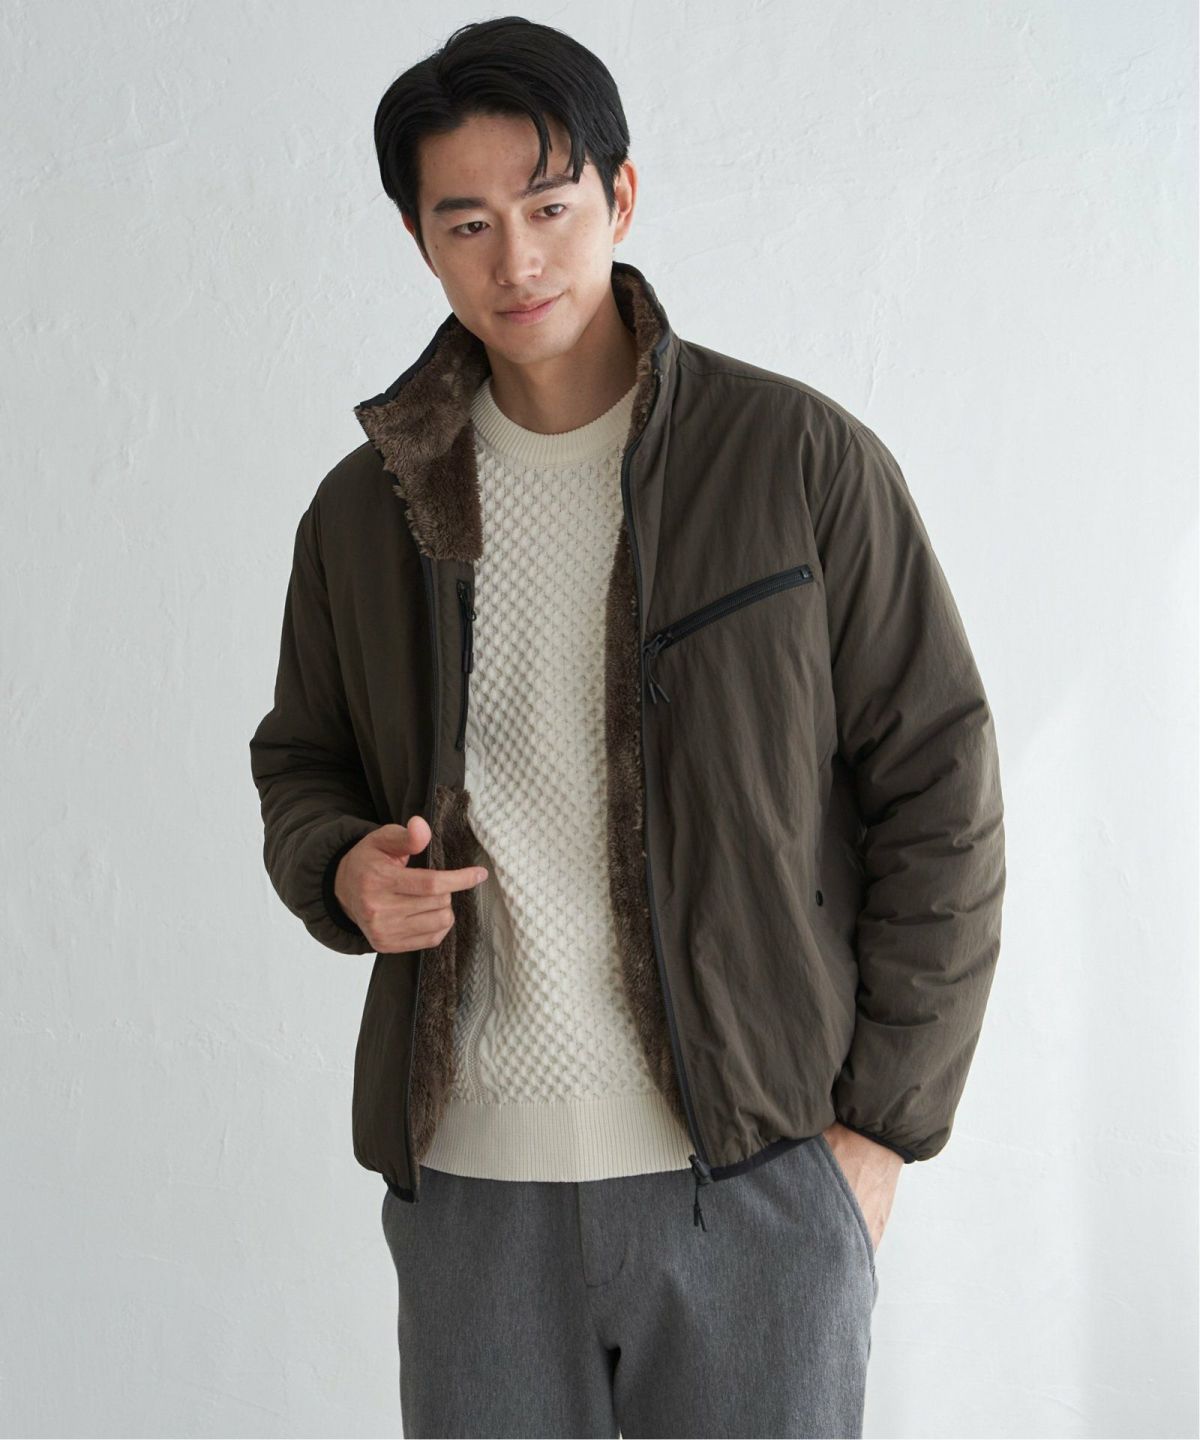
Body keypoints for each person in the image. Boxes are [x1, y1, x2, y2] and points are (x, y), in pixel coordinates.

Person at [248, 15, 1007, 1438]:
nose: (516, 261)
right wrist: (342, 865)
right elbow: (301, 760)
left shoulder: (793, 459)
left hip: (758, 1173)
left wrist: (876, 1136)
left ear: (622, 196)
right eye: (467, 223)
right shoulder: (365, 512)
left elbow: (939, 786)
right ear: (420, 241)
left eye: (549, 207)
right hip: (470, 1186)